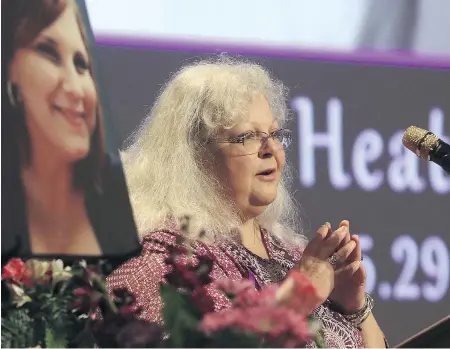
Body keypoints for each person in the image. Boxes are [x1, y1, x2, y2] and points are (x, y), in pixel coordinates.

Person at [107, 57, 387, 347]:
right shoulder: (161, 262)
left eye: (275, 134)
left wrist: (354, 309)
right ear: (193, 158)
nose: (270, 150)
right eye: (246, 137)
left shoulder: (289, 255)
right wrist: (297, 298)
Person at [2, 0, 140, 259]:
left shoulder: (124, 193)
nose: (76, 90)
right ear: (9, 68)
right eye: (49, 53)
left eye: (80, 64)